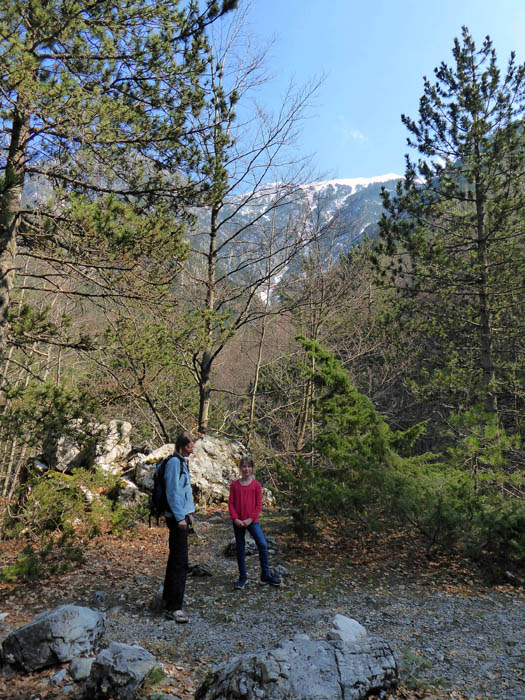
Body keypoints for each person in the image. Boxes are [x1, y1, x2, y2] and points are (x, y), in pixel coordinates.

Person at [228, 455, 281, 589]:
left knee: (262, 544)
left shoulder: (256, 485)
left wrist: (250, 519)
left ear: (252, 468)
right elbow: (231, 504)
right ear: (240, 468)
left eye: (249, 466)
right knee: (240, 549)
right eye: (244, 466)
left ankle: (265, 575)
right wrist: (235, 519)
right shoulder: (234, 485)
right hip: (238, 522)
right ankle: (243, 577)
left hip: (252, 521)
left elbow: (258, 505)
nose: (246, 469)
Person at [163, 431, 195, 622]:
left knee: (176, 558)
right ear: (183, 446)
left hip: (182, 516)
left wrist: (189, 512)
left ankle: (169, 600)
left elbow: (185, 491)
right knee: (180, 562)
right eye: (190, 447)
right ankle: (175, 607)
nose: (192, 451)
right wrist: (179, 517)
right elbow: (173, 492)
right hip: (176, 518)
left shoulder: (182, 462)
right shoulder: (175, 463)